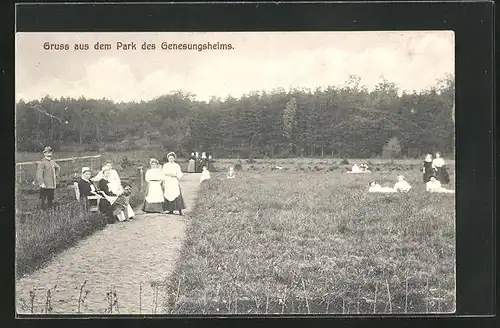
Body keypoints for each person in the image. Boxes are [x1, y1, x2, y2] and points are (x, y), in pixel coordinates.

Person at [36, 146, 60, 210]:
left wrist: (56, 175)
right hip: (45, 185)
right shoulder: (42, 162)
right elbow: (39, 174)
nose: (49, 154)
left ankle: (50, 211)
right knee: (43, 199)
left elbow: (58, 167)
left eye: (50, 152)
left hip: (52, 184)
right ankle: (42, 210)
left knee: (51, 199)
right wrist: (41, 183)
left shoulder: (52, 162)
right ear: (44, 153)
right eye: (47, 152)